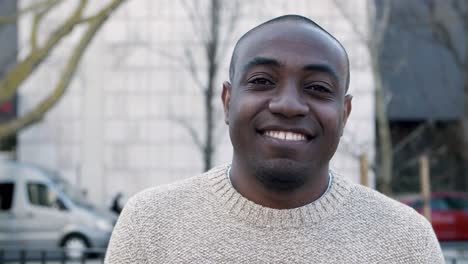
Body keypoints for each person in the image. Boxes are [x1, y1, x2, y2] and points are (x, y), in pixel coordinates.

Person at [105, 15, 444, 263]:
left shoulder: (405, 240)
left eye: (317, 88)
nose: (288, 105)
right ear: (227, 101)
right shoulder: (150, 224)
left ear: (345, 114)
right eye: (262, 80)